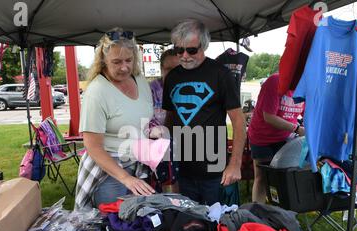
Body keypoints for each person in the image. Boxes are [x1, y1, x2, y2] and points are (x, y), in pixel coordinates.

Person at [162, 19, 246, 205]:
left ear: (204, 46)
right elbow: (170, 118)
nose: (184, 55)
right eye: (179, 50)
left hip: (215, 171)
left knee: (218, 227)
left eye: (191, 50)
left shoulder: (221, 74)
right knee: (190, 226)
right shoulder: (172, 78)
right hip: (183, 170)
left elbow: (239, 122)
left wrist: (234, 164)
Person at [74, 28, 155, 212]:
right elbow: (93, 147)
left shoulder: (140, 80)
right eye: (116, 62)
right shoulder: (96, 92)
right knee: (112, 226)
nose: (124, 67)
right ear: (103, 61)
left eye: (128, 60)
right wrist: (126, 178)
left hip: (137, 164)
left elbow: (138, 120)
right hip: (108, 172)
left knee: (137, 224)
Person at [247, 73, 305, 203]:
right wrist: (297, 129)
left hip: (285, 138)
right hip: (262, 137)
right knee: (261, 177)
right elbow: (269, 117)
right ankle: (257, 212)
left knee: (285, 176)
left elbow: (307, 113)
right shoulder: (275, 82)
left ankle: (282, 210)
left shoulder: (306, 87)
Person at [147, 49, 180, 193]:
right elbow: (146, 117)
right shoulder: (151, 89)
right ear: (161, 69)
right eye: (168, 69)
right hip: (158, 145)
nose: (173, 74)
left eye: (177, 70)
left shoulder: (188, 88)